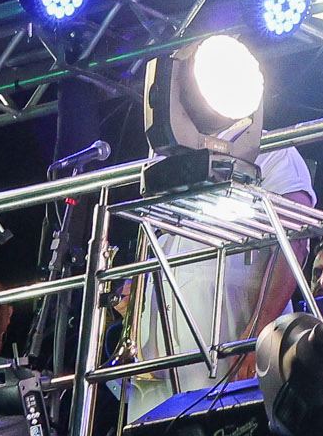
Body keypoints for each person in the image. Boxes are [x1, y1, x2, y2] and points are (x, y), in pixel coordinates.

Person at [132, 143, 313, 392]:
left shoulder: (273, 149)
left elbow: (295, 241)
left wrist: (257, 335)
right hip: (159, 372)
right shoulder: (170, 153)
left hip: (233, 355)